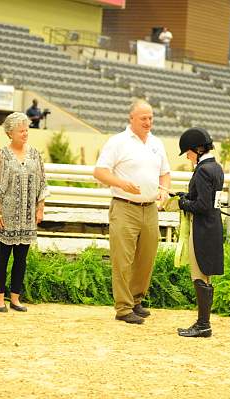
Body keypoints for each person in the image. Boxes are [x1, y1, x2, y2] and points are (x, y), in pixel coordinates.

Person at [93, 99, 171, 324]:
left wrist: (164, 190)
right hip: (125, 206)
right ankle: (123, 307)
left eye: (151, 118)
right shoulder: (117, 142)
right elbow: (99, 172)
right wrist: (121, 183)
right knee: (123, 259)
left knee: (146, 258)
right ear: (131, 119)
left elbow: (164, 172)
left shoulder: (157, 143)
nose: (148, 122)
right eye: (144, 118)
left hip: (150, 208)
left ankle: (136, 299)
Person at [0, 112, 49, 313]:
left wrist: (40, 208)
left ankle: (15, 298)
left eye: (26, 130)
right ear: (10, 133)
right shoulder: (1, 155)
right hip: (6, 216)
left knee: (21, 259)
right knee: (2, 258)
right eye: (21, 130)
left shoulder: (35, 154)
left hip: (28, 217)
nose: (25, 133)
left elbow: (42, 183)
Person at [175, 127, 224, 338]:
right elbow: (208, 198)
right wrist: (187, 195)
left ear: (198, 149)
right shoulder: (216, 167)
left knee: (199, 274)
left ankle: (203, 324)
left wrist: (183, 203)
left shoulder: (203, 170)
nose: (187, 156)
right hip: (213, 225)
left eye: (188, 151)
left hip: (202, 227)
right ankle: (203, 323)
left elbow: (203, 205)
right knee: (206, 276)